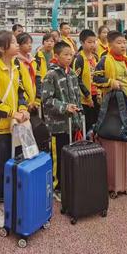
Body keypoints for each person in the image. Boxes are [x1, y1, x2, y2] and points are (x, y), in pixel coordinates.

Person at [0, 31, 29, 228]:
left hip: (14, 128)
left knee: (12, 164)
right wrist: (11, 113)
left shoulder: (16, 67)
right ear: (2, 49)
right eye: (14, 43)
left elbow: (20, 91)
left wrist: (23, 108)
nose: (17, 45)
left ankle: (6, 199)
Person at [42, 41, 82, 201]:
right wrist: (64, 107)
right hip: (57, 125)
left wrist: (77, 112)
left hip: (71, 123)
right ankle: (56, 186)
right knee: (57, 156)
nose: (69, 58)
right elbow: (47, 100)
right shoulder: (51, 75)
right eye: (65, 55)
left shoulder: (72, 74)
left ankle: (66, 182)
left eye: (71, 55)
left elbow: (76, 96)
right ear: (56, 56)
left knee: (68, 154)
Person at [94, 31, 127, 116]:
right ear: (110, 45)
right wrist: (111, 82)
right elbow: (95, 79)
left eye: (125, 42)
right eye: (119, 43)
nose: (123, 45)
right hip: (114, 104)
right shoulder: (105, 60)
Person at [73, 29, 99, 131]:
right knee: (87, 123)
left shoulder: (95, 57)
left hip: (96, 94)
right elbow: (77, 80)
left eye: (94, 42)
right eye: (89, 42)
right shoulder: (79, 59)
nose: (92, 45)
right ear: (82, 43)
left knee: (96, 122)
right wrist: (87, 96)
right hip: (85, 98)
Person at [16, 33, 39, 111]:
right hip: (21, 101)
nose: (29, 45)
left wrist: (38, 98)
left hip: (33, 98)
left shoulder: (33, 61)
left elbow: (37, 80)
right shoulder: (16, 62)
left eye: (30, 43)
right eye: (26, 43)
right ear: (18, 45)